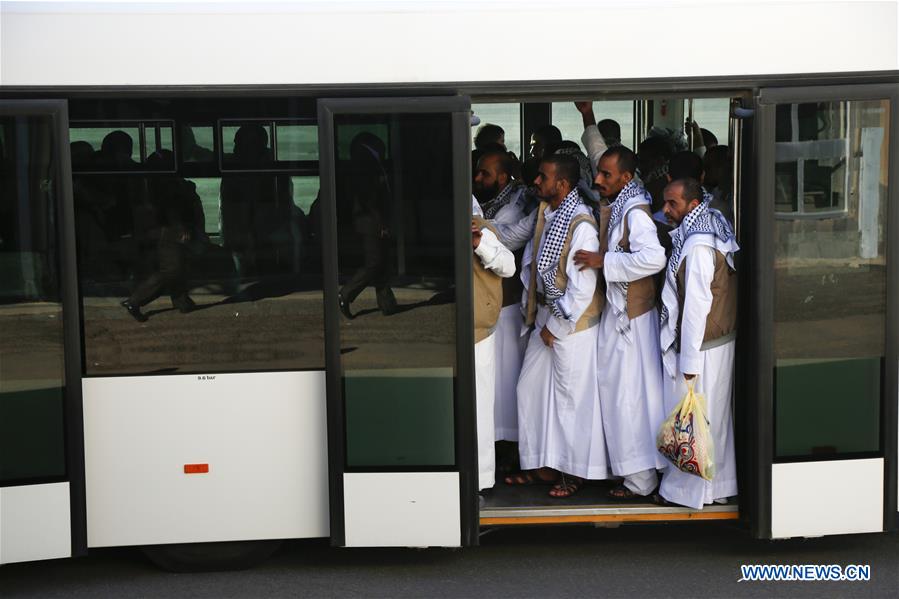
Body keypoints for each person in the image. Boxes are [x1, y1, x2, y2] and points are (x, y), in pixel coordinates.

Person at [505, 153, 607, 498]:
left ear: (561, 184)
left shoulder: (581, 227)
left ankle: (573, 472)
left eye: (542, 177)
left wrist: (556, 328)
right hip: (547, 318)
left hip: (572, 326)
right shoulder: (549, 215)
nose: (535, 182)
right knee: (529, 389)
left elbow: (582, 290)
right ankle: (542, 465)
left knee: (569, 400)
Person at [573, 146, 667, 500]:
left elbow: (654, 258)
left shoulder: (636, 212)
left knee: (630, 399)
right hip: (622, 317)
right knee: (620, 396)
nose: (597, 179)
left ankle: (641, 479)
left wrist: (604, 260)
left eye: (606, 175)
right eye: (598, 172)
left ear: (626, 178)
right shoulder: (623, 202)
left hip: (632, 322)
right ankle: (631, 473)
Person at [657, 178, 739, 509]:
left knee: (696, 421)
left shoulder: (699, 245)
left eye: (672, 204)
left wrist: (688, 364)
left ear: (692, 205)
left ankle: (691, 492)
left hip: (703, 346)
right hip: (715, 340)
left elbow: (694, 309)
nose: (665, 210)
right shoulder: (706, 229)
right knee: (713, 417)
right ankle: (716, 488)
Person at [473, 150, 534, 443]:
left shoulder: (514, 206)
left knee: (505, 381)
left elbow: (506, 240)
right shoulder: (492, 203)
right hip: (493, 305)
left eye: (484, 173)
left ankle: (508, 444)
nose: (477, 178)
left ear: (501, 177)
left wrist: (482, 231)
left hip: (507, 305)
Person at [121, 151, 200, 321]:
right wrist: (180, 228)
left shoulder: (153, 183)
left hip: (165, 229)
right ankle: (135, 300)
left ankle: (182, 301)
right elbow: (173, 209)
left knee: (176, 265)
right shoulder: (168, 184)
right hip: (171, 230)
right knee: (171, 268)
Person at [471, 197, 516, 491]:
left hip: (477, 333)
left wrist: (478, 243)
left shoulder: (481, 229)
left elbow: (508, 266)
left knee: (479, 406)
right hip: (444, 332)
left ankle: (480, 478)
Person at [337, 132, 397, 318]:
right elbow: (370, 199)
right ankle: (346, 294)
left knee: (381, 261)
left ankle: (387, 303)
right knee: (374, 262)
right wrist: (382, 224)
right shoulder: (366, 162)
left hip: (369, 221)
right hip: (371, 222)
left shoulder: (365, 160)